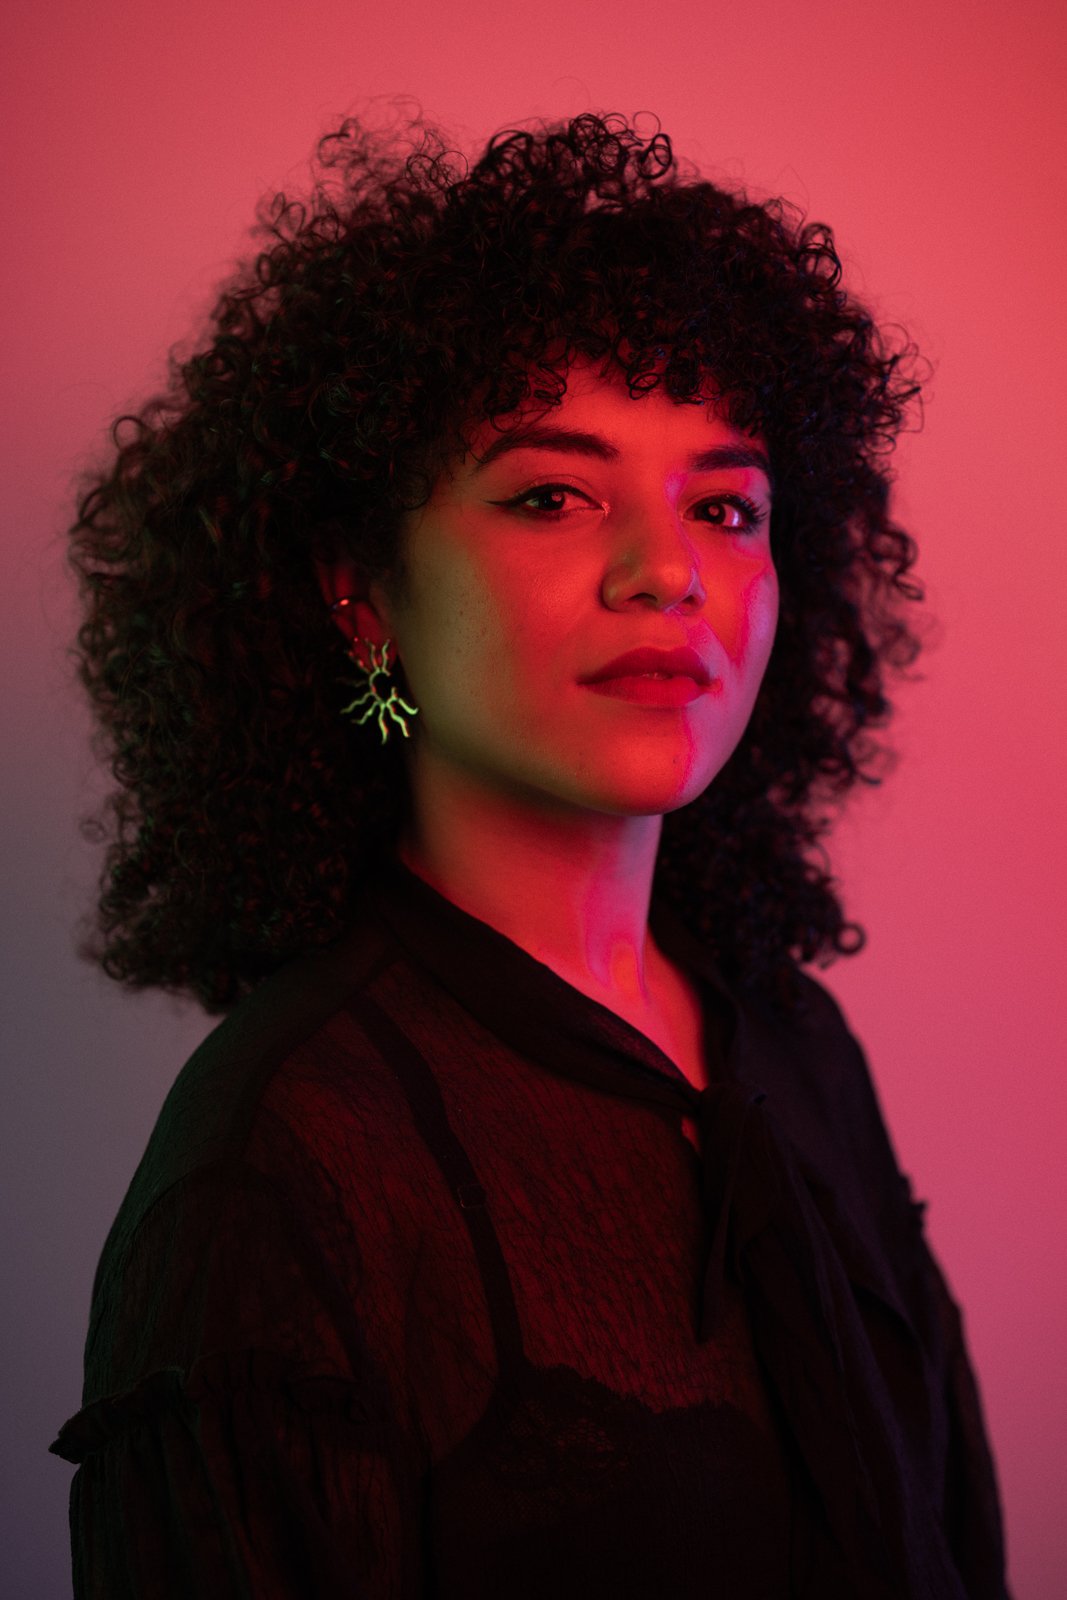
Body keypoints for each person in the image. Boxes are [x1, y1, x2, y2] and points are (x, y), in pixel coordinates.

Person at [49, 105, 1011, 1597]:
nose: (667, 572)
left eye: (725, 503)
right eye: (551, 494)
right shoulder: (279, 1172)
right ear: (361, 591)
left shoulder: (797, 1041)